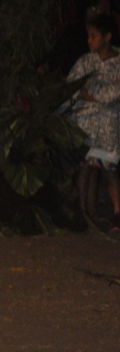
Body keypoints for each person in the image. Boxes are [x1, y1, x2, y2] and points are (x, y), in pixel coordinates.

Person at [67, 12, 120, 227]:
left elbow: (115, 93)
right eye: (88, 36)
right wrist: (88, 95)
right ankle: (84, 213)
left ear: (107, 37)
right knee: (85, 169)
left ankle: (117, 213)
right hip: (85, 124)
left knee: (109, 170)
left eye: (94, 36)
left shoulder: (118, 62)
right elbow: (72, 86)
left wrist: (92, 95)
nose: (89, 41)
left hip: (108, 126)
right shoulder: (84, 61)